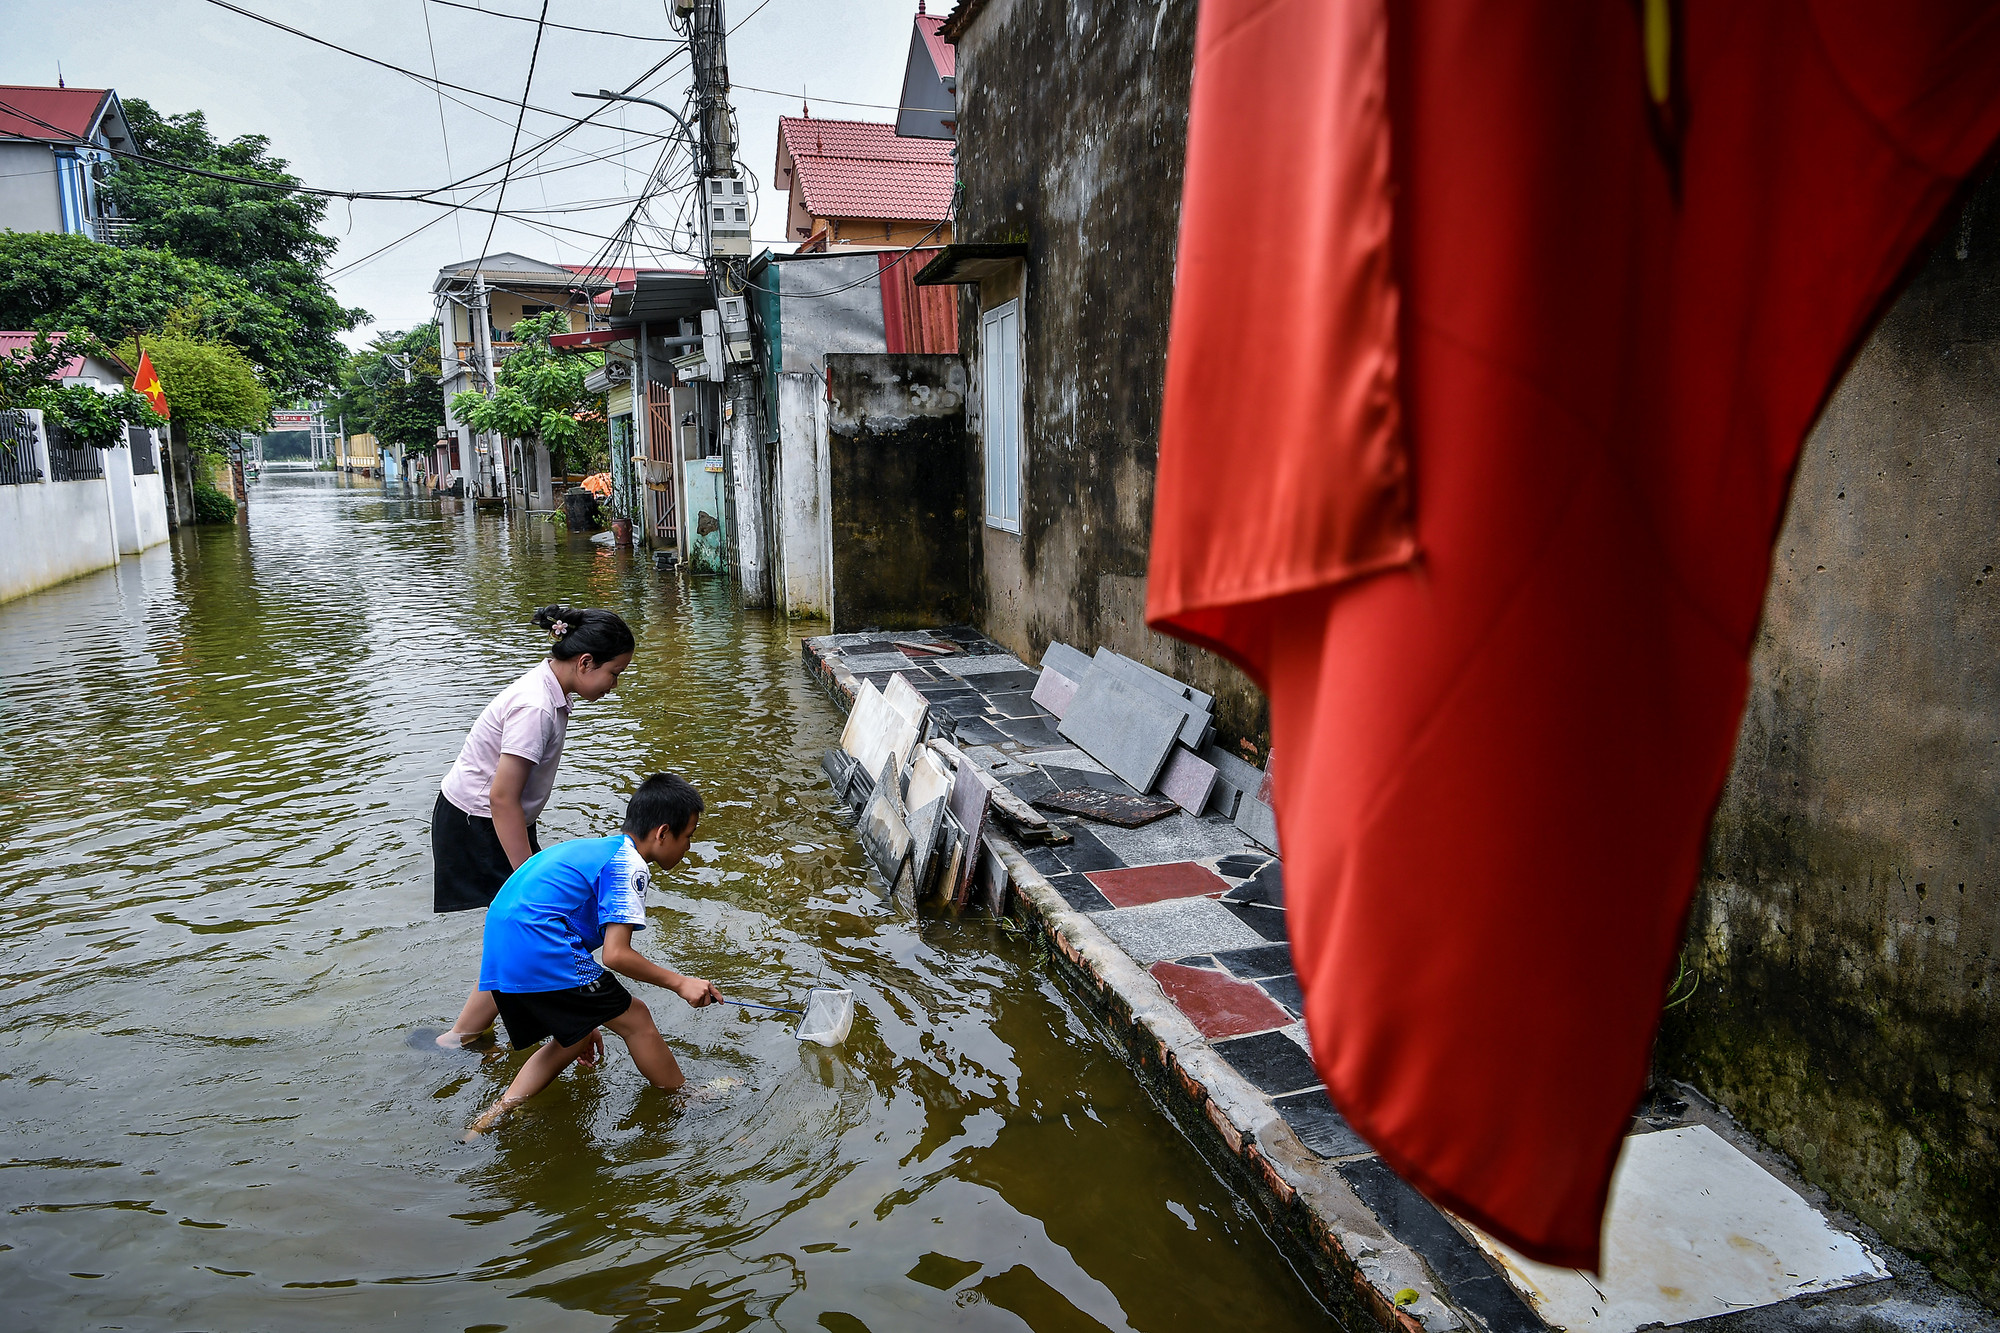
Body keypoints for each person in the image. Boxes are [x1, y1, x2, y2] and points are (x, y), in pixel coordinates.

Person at [467, 773, 722, 1134]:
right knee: (637, 1017)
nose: (689, 848)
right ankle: (684, 1097)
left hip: (503, 944)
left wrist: (587, 1016)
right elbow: (616, 956)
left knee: (575, 1036)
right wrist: (680, 983)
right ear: (663, 833)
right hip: (539, 943)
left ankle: (491, 1118)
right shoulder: (628, 864)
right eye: (688, 837)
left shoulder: (597, 848)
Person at [432, 604, 636, 1049]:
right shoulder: (537, 707)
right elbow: (501, 796)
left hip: (497, 820)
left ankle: (466, 1033)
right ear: (585, 663)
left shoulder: (552, 690)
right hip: (478, 821)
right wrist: (528, 874)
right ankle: (463, 1035)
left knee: (521, 931)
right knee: (527, 925)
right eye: (614, 673)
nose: (614, 685)